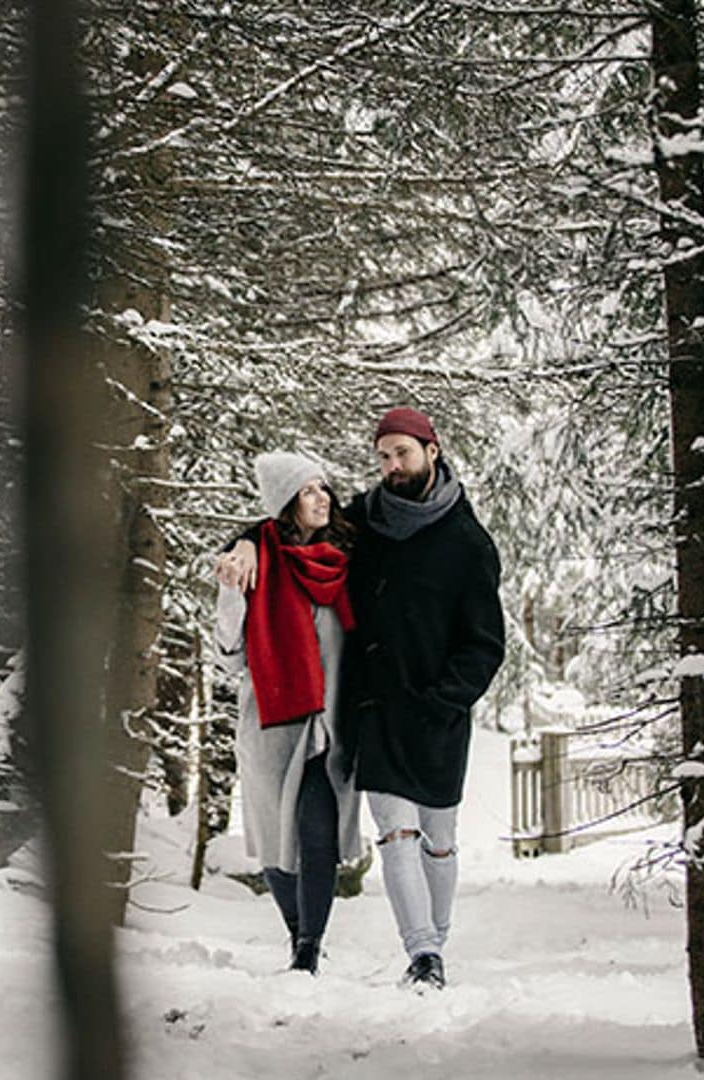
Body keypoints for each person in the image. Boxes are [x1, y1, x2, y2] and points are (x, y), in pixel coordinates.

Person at [216, 409, 504, 990]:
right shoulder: (367, 520)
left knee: (439, 840)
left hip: (439, 714)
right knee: (395, 832)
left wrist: (444, 700)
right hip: (373, 709)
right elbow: (292, 519)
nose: (392, 466)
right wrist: (243, 543)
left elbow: (484, 644)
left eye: (402, 453)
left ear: (431, 448)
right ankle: (423, 954)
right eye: (383, 457)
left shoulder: (467, 540)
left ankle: (435, 940)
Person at [211, 451, 362, 975]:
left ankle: (308, 950)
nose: (322, 498)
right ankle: (297, 933)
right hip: (272, 723)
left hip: (332, 724)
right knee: (277, 844)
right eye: (307, 491)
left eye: (324, 488)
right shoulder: (252, 564)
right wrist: (232, 592)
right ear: (285, 504)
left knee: (318, 836)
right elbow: (227, 652)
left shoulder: (346, 557)